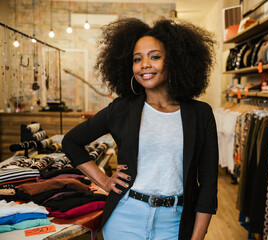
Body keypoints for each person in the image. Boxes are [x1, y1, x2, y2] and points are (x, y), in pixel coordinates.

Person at [62, 17, 219, 240]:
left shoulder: (200, 114)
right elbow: (71, 141)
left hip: (175, 222)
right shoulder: (122, 109)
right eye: (137, 59)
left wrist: (197, 238)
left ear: (175, 61)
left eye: (154, 57)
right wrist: (104, 181)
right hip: (125, 218)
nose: (144, 64)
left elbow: (208, 186)